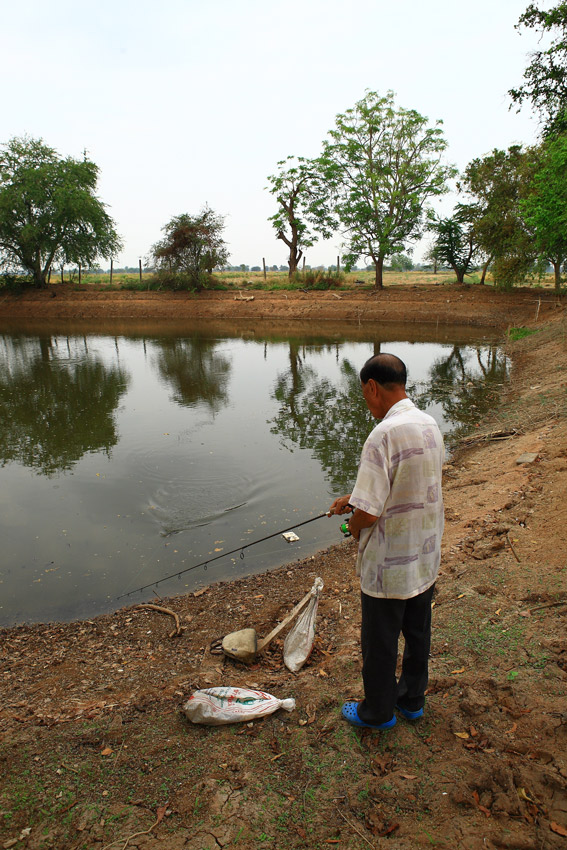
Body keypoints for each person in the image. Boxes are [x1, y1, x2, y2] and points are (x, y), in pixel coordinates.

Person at [329, 352, 444, 730]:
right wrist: (354, 498)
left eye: (365, 395)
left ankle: (376, 712)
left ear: (373, 387)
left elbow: (369, 514)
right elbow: (406, 482)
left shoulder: (382, 435)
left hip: (388, 564)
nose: (367, 405)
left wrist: (352, 527)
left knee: (380, 642)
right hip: (423, 555)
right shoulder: (428, 424)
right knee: (417, 632)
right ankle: (411, 701)